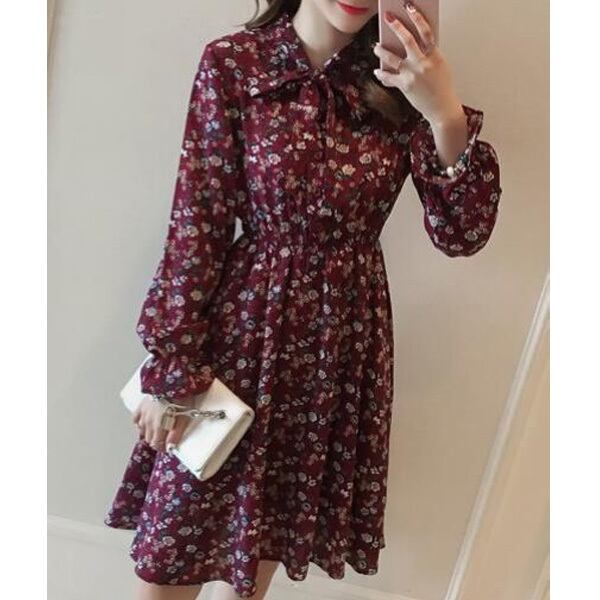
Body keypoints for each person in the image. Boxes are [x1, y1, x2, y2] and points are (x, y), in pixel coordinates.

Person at [104, 1, 502, 599]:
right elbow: (197, 223)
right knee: (168, 561)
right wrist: (174, 366)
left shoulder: (401, 86)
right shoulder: (235, 65)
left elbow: (462, 234)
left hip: (334, 356)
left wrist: (443, 112)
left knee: (252, 570)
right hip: (236, 343)